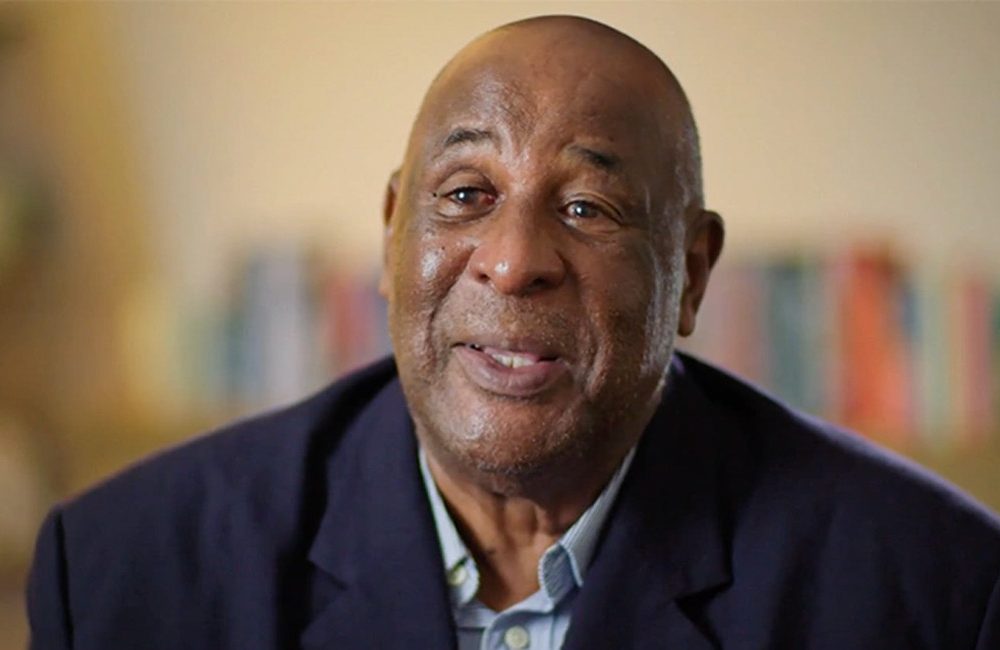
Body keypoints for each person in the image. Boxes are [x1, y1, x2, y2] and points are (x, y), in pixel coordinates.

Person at [27, 15, 1000, 650]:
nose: (511, 259)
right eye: (466, 194)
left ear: (691, 273)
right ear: (392, 232)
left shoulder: (931, 589)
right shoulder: (124, 573)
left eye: (586, 207)